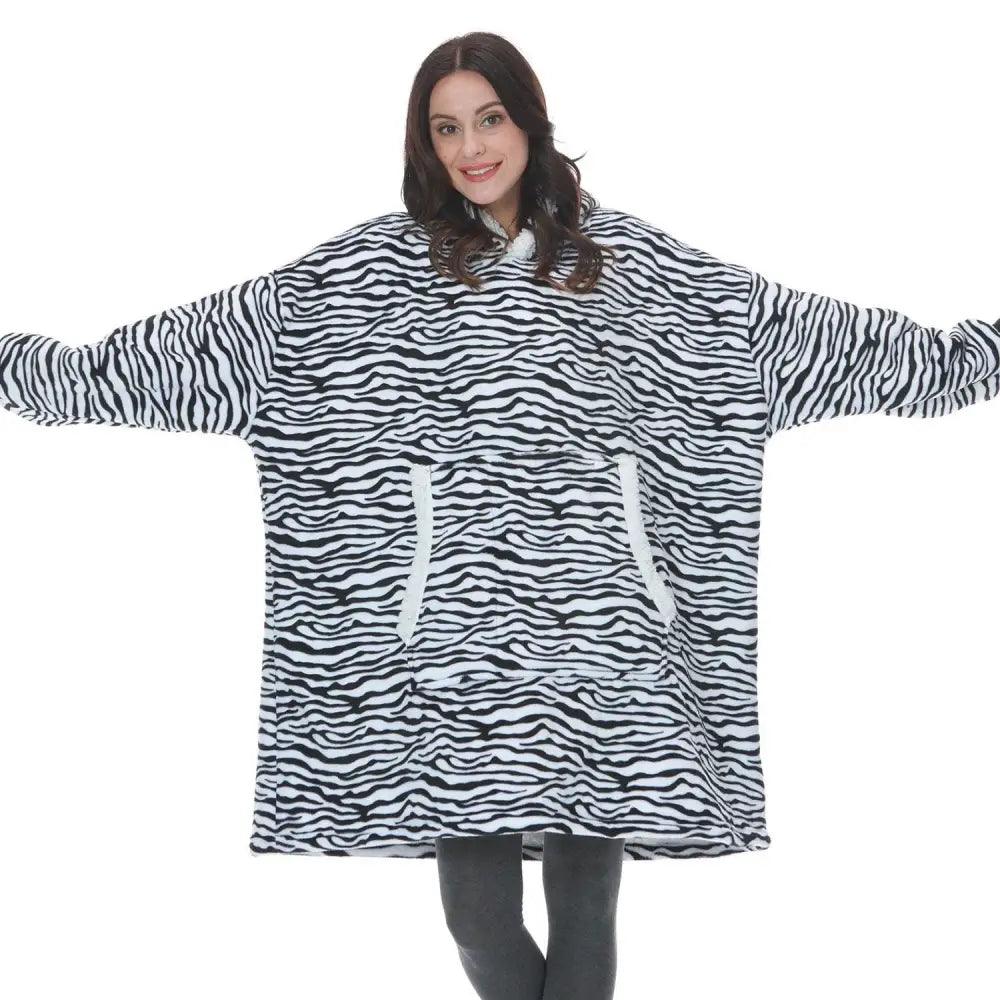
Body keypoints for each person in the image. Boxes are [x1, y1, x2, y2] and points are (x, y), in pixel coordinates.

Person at [3, 29, 998, 1000]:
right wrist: (29, 372)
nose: (471, 148)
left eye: (488, 119)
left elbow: (814, 339)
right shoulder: (357, 283)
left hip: (605, 643)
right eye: (446, 128)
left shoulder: (639, 270)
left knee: (585, 914)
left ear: (528, 121)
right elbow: (172, 357)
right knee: (476, 914)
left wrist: (975, 355)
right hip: (451, 652)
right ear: (423, 144)